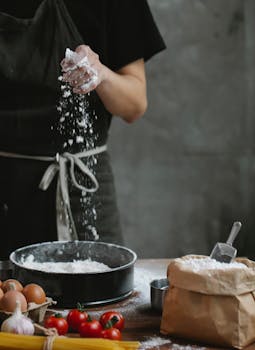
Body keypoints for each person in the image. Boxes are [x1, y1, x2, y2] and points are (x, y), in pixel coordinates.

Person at [0, 0, 166, 260]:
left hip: (82, 187)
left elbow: (135, 104)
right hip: (6, 194)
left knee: (98, 295)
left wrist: (100, 75)